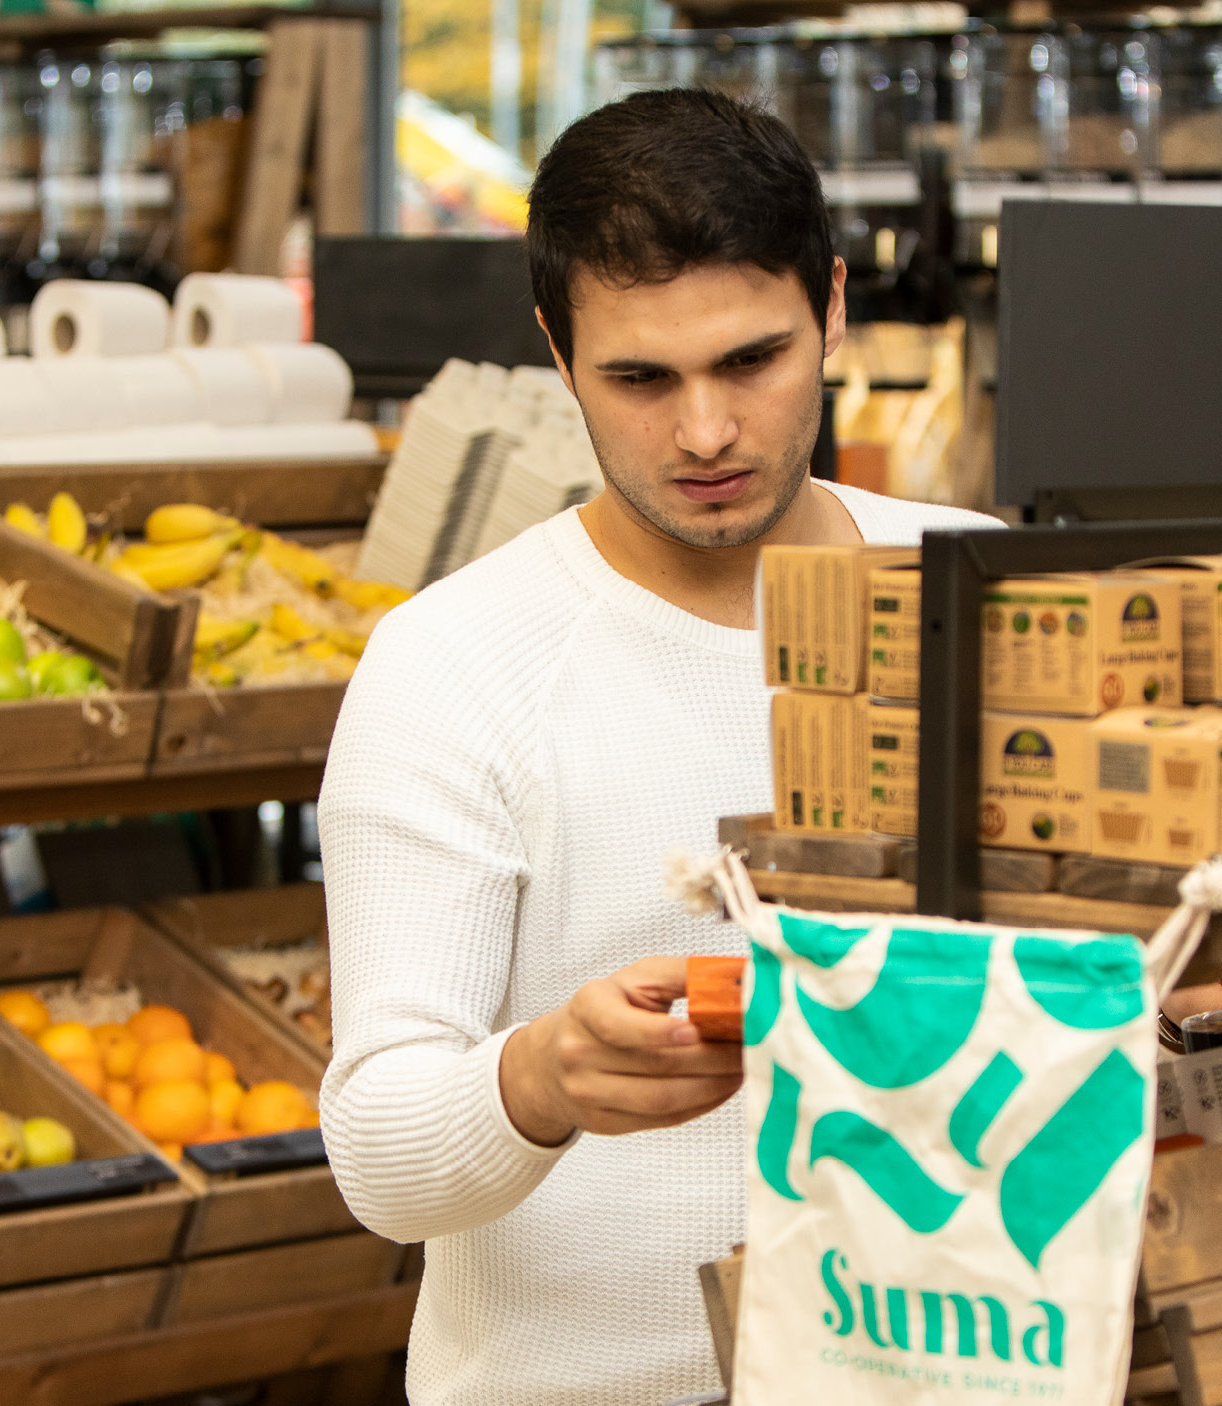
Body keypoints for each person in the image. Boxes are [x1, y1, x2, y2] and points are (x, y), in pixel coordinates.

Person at [315, 89, 998, 1405]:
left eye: (752, 360)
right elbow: (381, 1163)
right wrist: (536, 1076)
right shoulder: (454, 661)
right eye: (641, 378)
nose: (703, 433)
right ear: (557, 354)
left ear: (836, 307)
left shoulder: (979, 590)